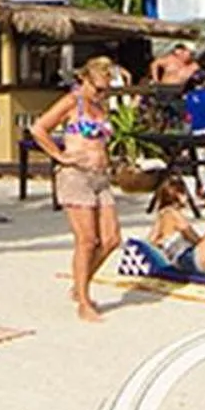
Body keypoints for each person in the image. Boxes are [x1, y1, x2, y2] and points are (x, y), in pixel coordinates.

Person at [31, 55, 122, 322]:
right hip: (76, 176)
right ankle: (83, 300)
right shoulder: (72, 102)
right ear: (84, 79)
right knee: (87, 240)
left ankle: (79, 284)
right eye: (98, 88)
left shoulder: (100, 105)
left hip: (100, 176)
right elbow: (38, 129)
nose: (101, 93)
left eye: (105, 89)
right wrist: (59, 155)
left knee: (112, 239)